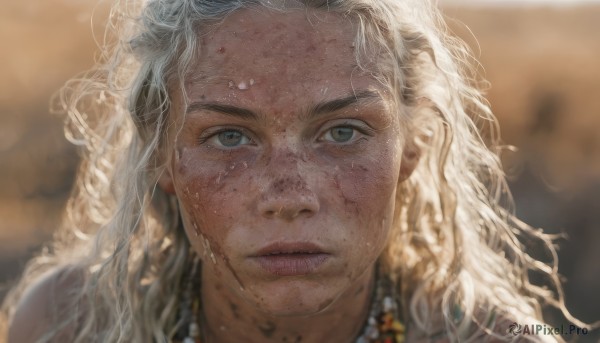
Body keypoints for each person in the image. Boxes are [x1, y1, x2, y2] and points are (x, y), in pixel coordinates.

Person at [1, 0, 592, 342]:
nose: (289, 196)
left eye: (342, 133)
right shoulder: (69, 327)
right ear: (161, 153)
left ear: (412, 143)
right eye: (229, 136)